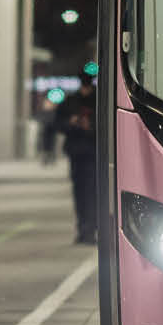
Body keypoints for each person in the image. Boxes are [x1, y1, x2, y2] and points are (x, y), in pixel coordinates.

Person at [53, 83, 100, 244]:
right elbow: (58, 124)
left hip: (92, 152)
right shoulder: (71, 102)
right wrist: (72, 123)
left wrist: (90, 126)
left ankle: (89, 230)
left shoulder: (97, 100)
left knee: (91, 193)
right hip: (78, 153)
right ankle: (84, 229)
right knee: (82, 194)